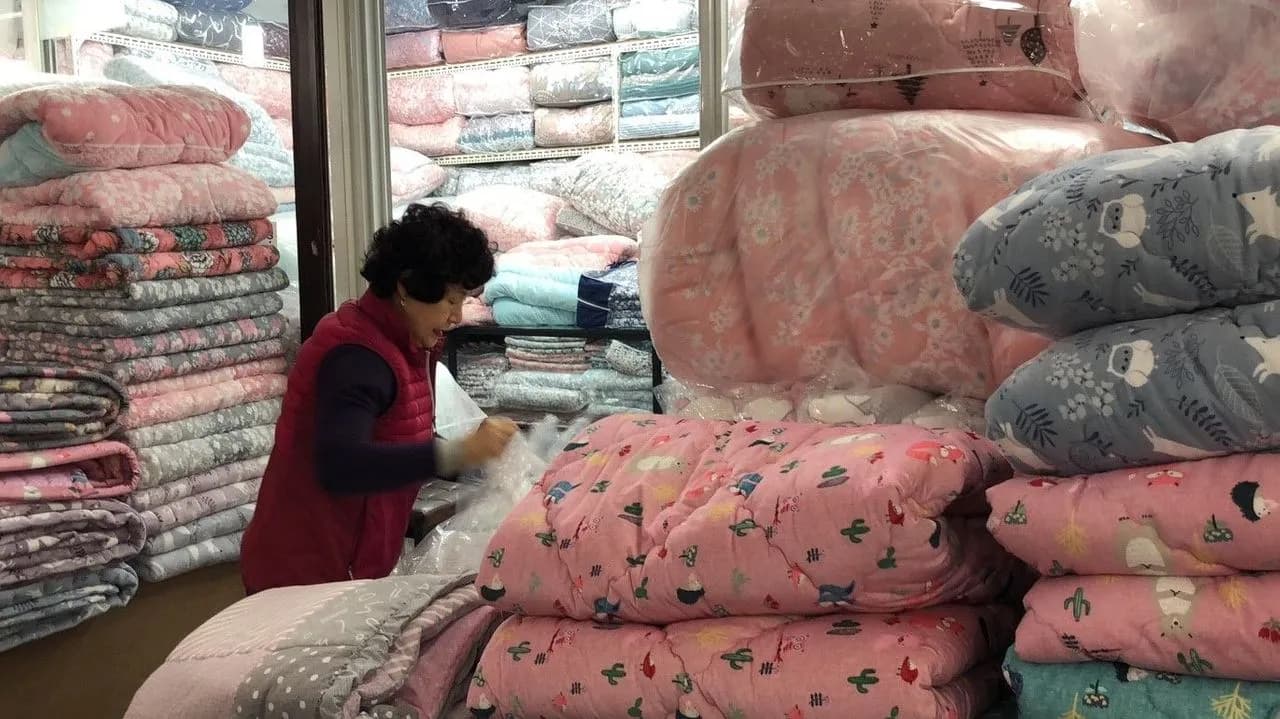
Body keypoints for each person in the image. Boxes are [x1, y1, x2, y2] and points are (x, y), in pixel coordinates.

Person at [241, 203, 518, 594]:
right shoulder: (356, 356)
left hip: (347, 564)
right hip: (305, 572)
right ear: (406, 287)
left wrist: (479, 461)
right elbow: (341, 465)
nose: (457, 317)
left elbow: (398, 437)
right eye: (451, 300)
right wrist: (458, 452)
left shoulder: (406, 347)